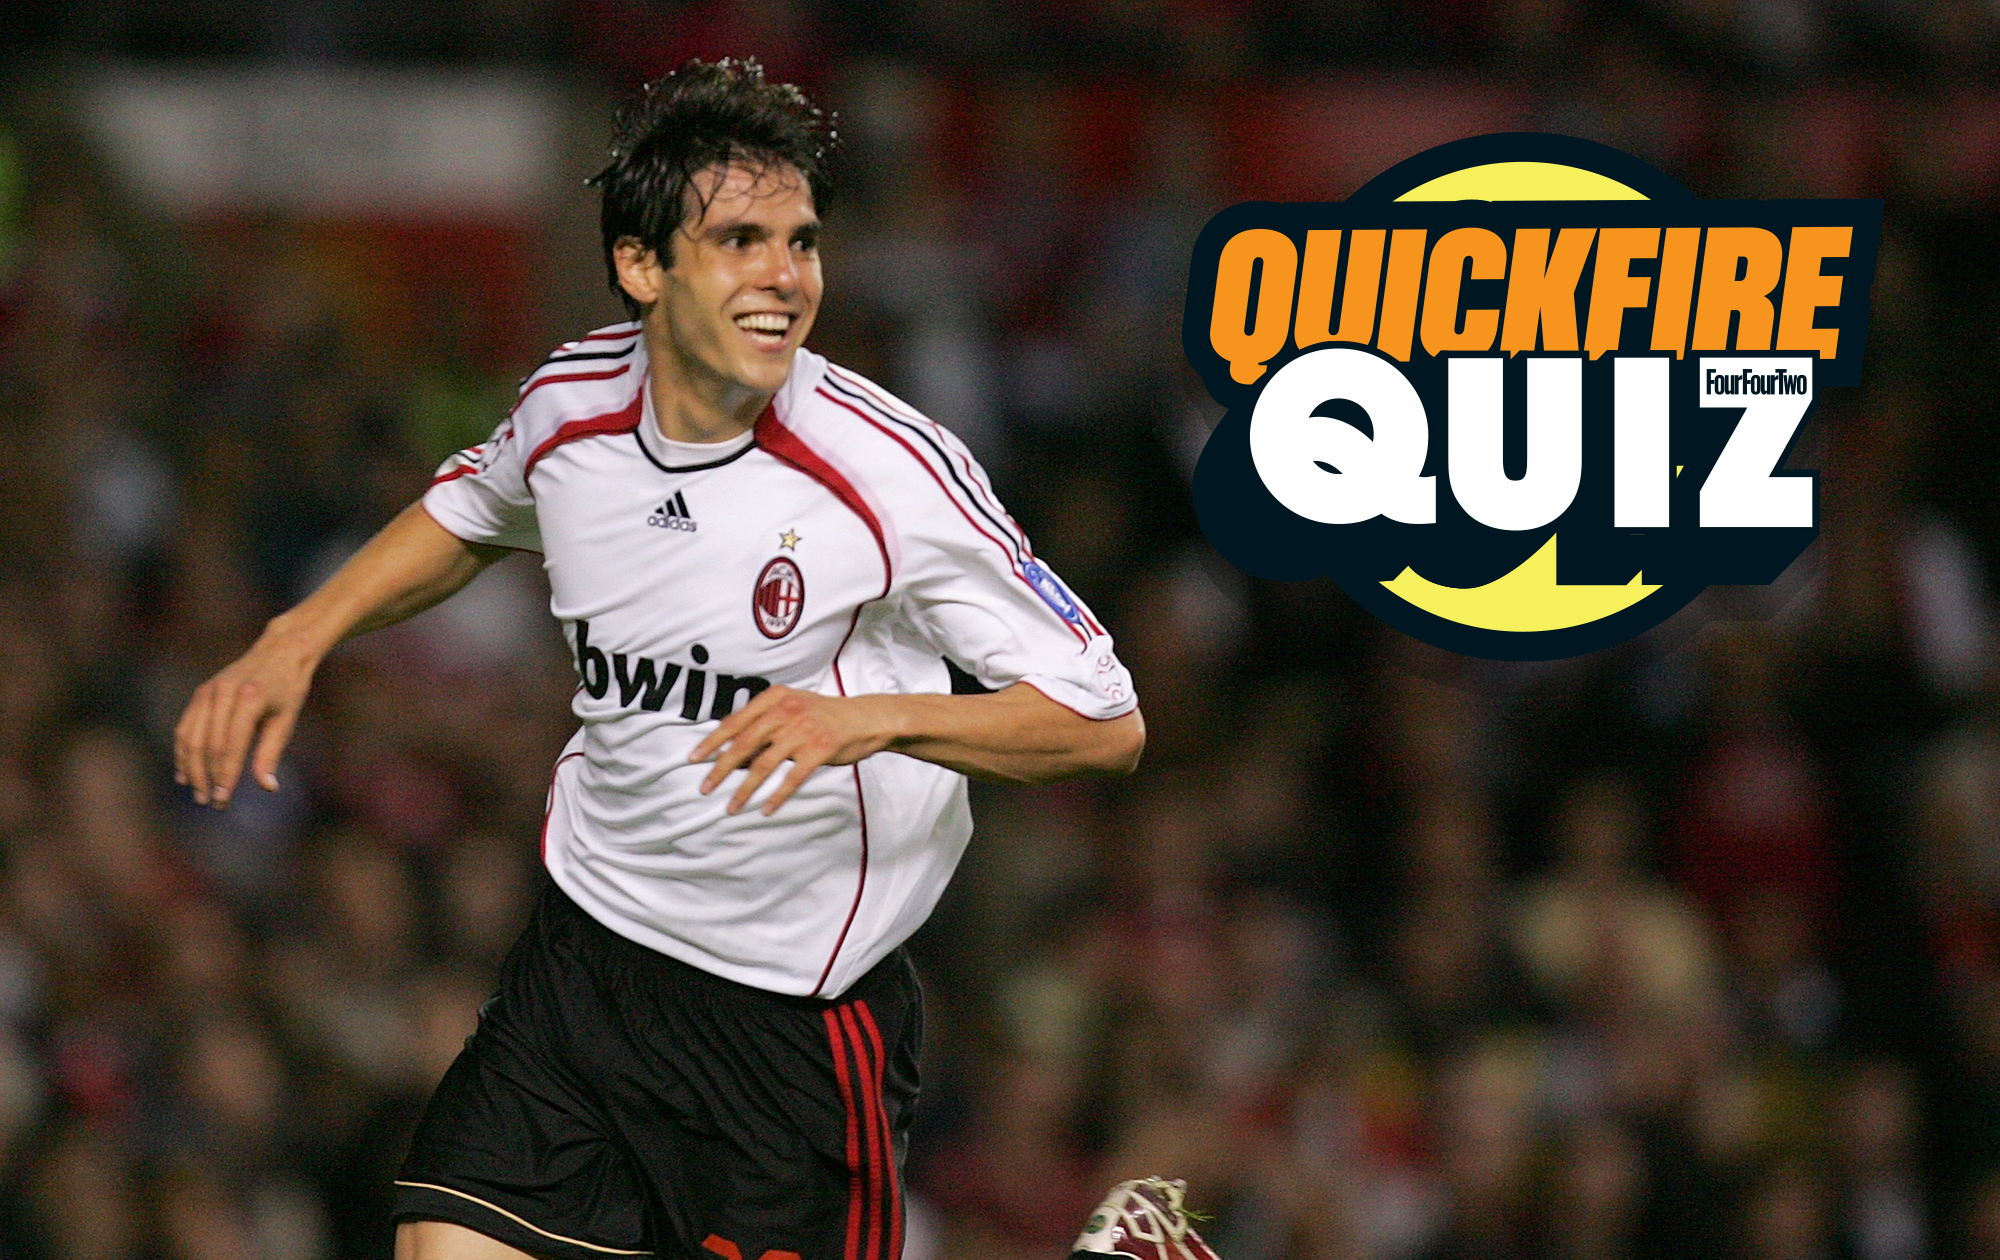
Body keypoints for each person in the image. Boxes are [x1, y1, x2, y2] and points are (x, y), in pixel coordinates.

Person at [172, 58, 1213, 1260]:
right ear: (640, 266)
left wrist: (868, 722)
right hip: (586, 970)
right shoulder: (570, 411)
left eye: (802, 242)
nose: (786, 277)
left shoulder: (886, 471)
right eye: (740, 242)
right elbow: (468, 514)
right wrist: (296, 637)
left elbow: (1104, 723)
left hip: (791, 1027)